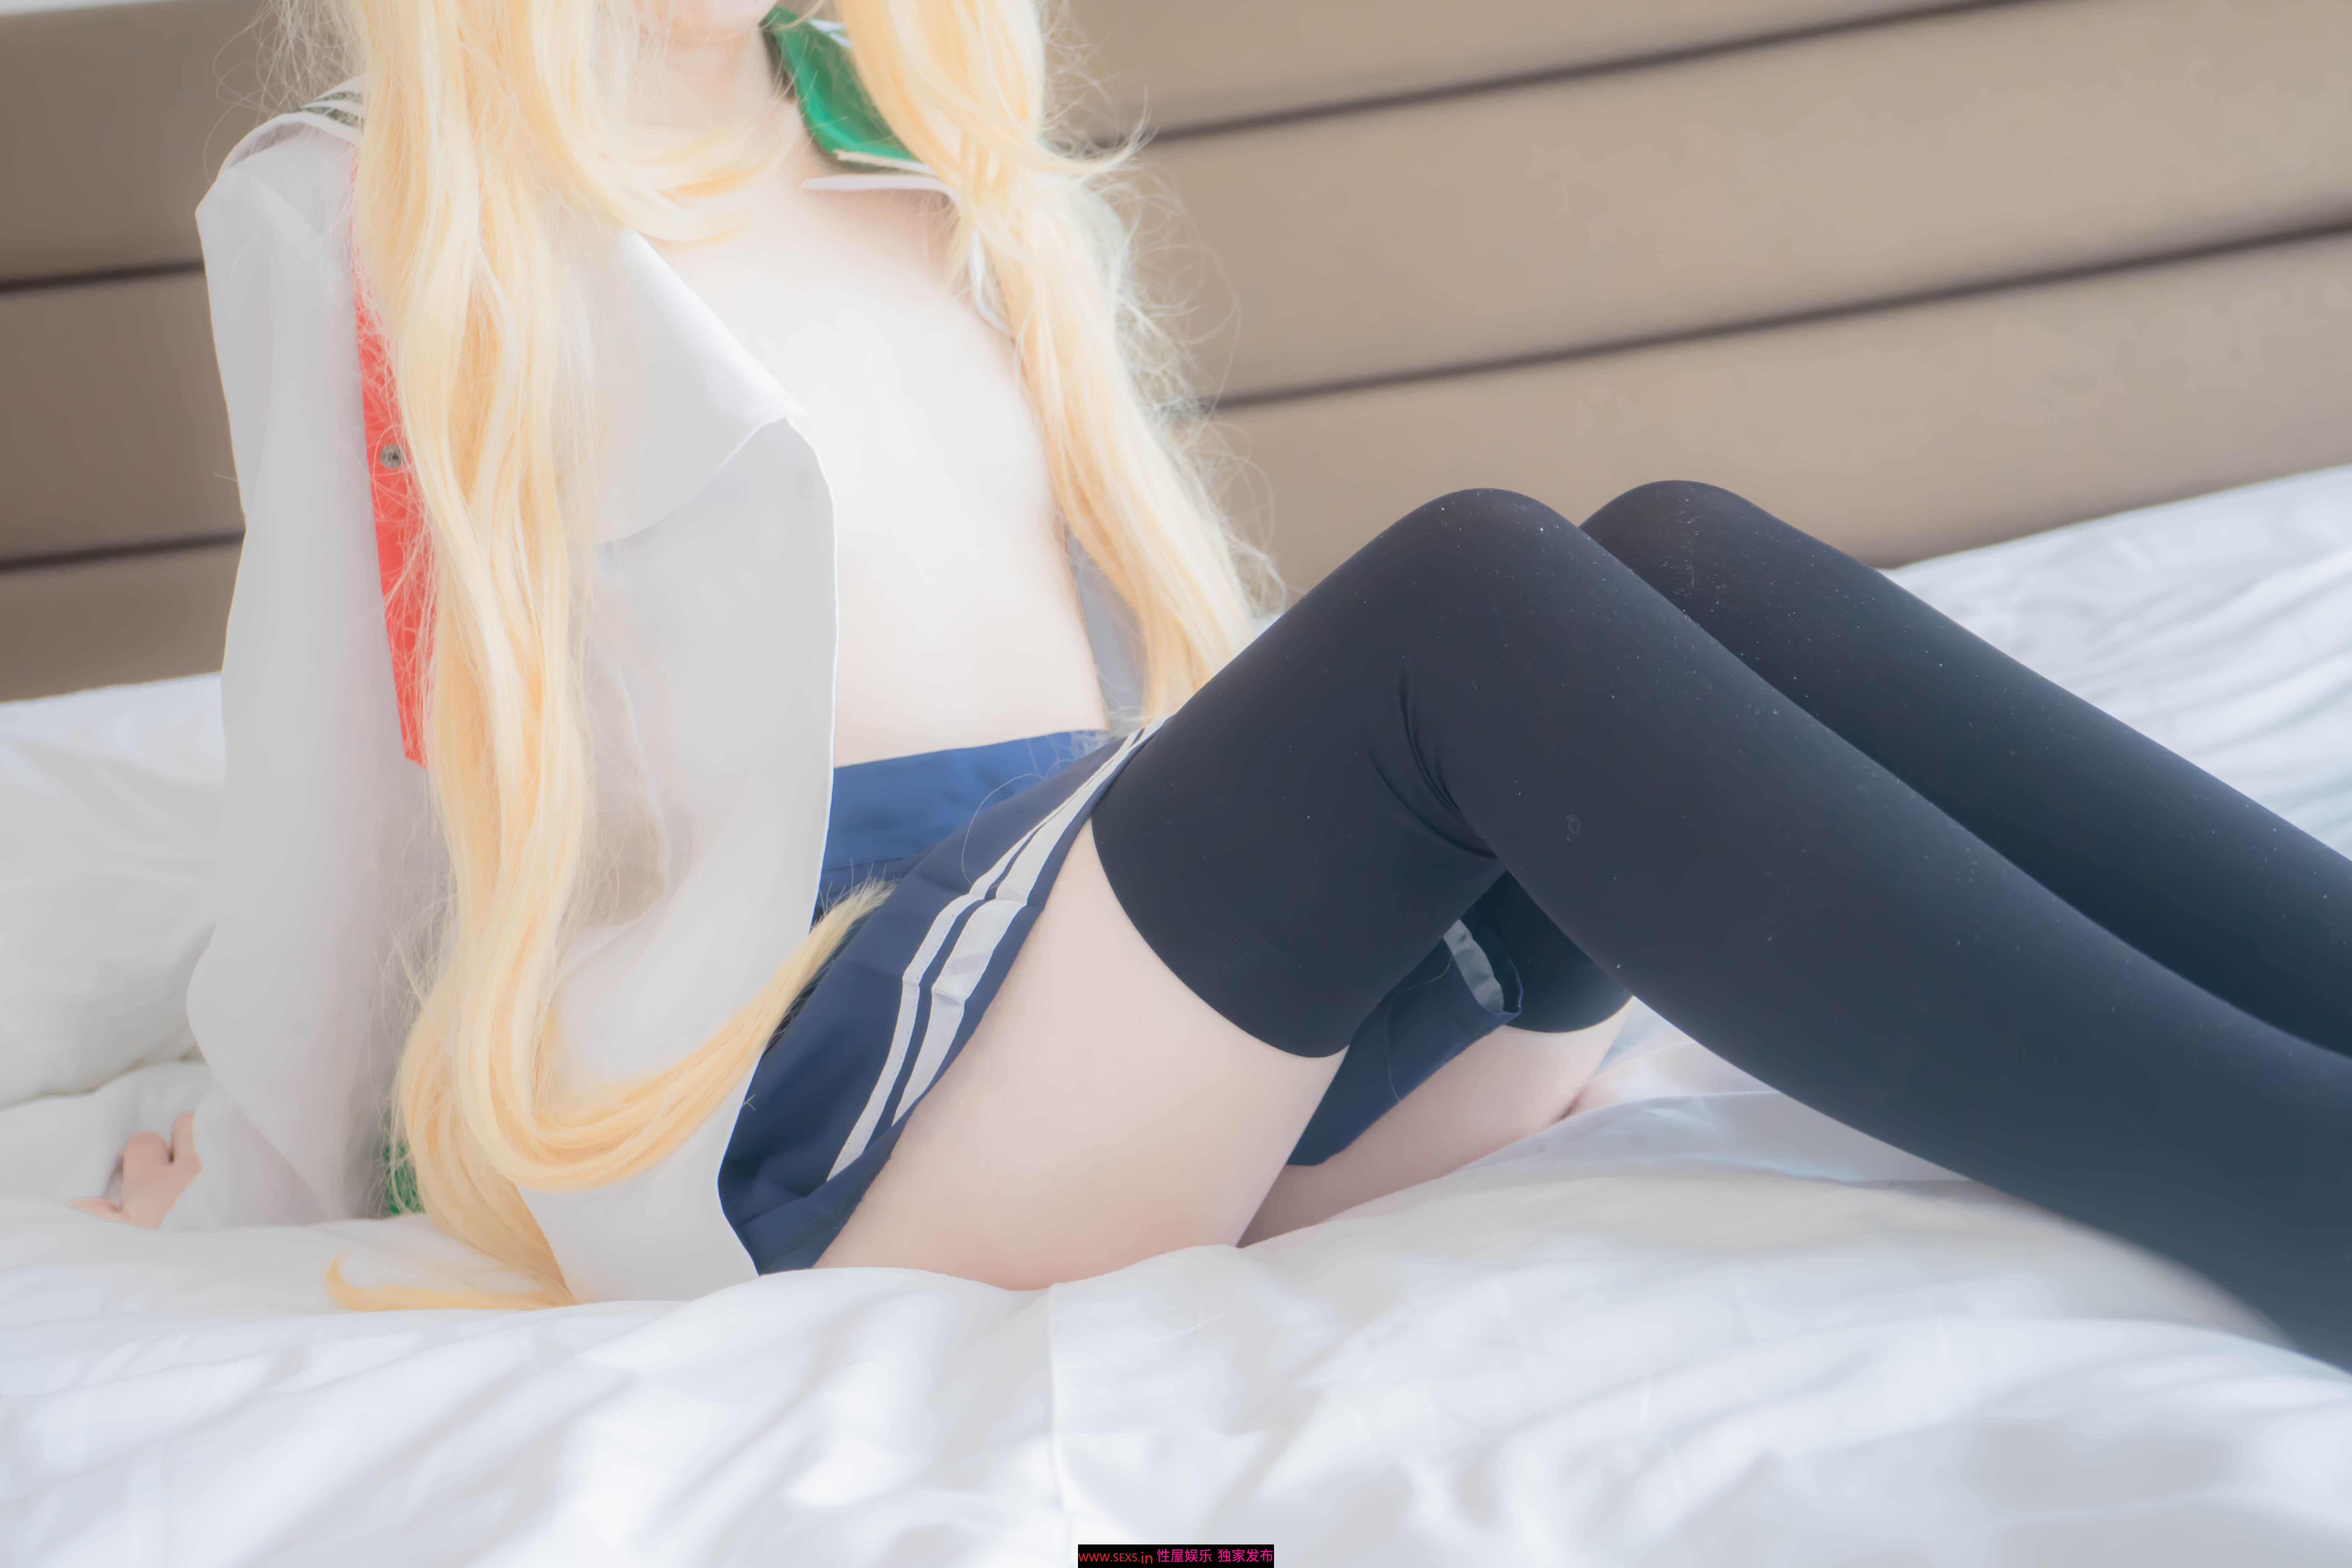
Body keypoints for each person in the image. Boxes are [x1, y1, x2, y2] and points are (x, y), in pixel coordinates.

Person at [76, 0, 2352, 1368]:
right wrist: (259, 1169)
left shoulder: (922, 153)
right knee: (1471, 603)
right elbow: (333, 793)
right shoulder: (370, 212)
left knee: (1666, 557)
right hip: (850, 1096)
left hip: (1155, 1041)